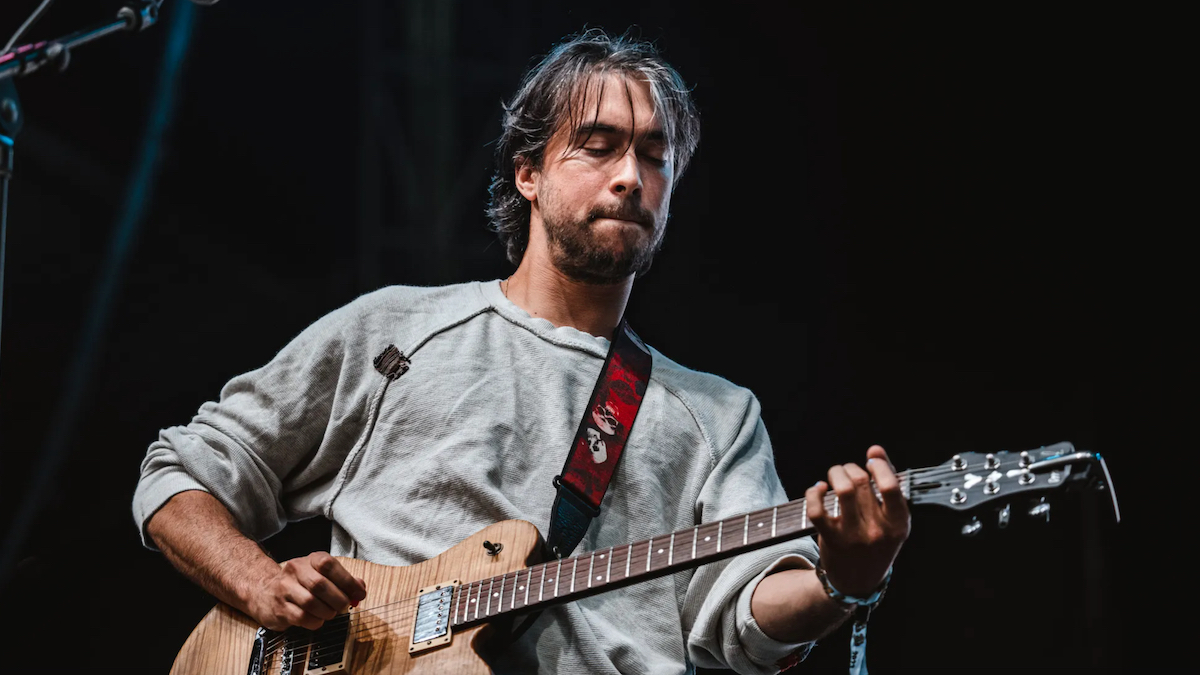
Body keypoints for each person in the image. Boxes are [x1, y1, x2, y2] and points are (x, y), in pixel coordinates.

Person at [133, 29, 909, 674]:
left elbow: (746, 620)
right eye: (598, 147)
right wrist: (259, 582)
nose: (630, 177)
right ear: (528, 172)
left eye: (654, 155)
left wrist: (844, 579)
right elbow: (181, 472)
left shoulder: (718, 414)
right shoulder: (395, 328)